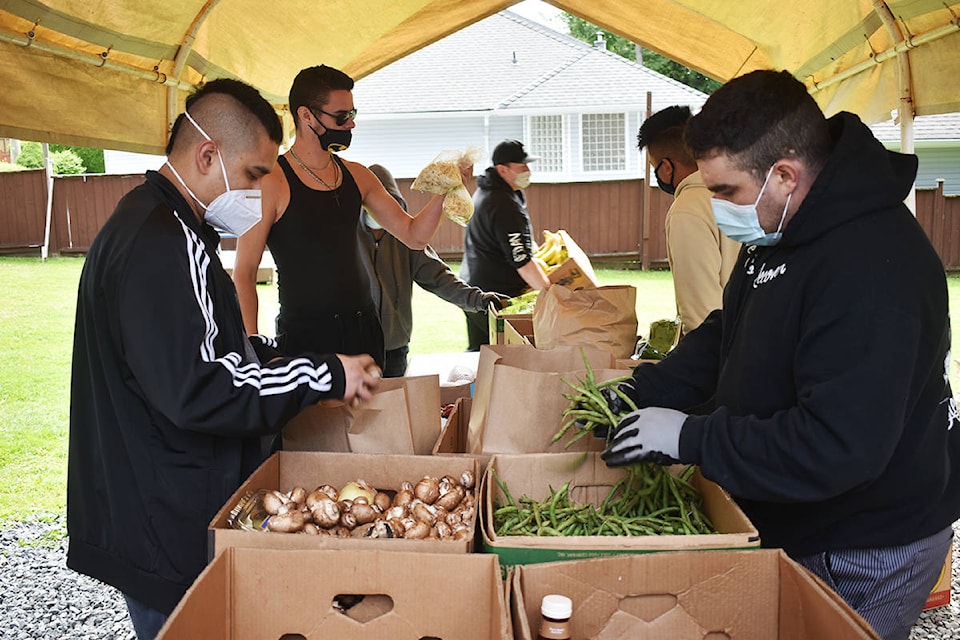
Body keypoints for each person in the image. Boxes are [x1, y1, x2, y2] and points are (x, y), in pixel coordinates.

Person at [600, 70, 960, 640]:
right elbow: (731, 329)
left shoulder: (873, 271)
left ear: (784, 176)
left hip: (865, 540)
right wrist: (647, 390)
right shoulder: (779, 226)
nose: (716, 208)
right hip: (793, 512)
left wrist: (691, 437)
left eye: (724, 192)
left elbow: (837, 445)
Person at [67, 79, 381, 640]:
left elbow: (206, 346)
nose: (262, 193)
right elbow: (206, 386)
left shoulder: (155, 225)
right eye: (256, 175)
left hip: (149, 495)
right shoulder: (165, 242)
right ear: (208, 155)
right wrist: (327, 372)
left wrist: (279, 358)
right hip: (163, 510)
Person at [233, 65, 470, 368]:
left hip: (365, 331)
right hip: (306, 338)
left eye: (353, 114)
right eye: (342, 116)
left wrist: (446, 190)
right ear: (306, 116)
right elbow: (244, 272)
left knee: (373, 416)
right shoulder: (271, 181)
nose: (351, 125)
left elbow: (414, 235)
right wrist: (252, 348)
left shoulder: (358, 176)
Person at [358, 163, 510, 376]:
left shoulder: (406, 238)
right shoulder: (345, 238)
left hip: (395, 349)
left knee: (398, 406)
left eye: (389, 203)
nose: (382, 211)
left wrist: (480, 300)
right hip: (354, 350)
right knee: (356, 409)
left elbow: (440, 278)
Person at [637, 105, 741, 334]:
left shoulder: (687, 210)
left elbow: (702, 316)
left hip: (732, 354)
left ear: (666, 168)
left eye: (655, 168)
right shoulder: (744, 190)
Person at [460, 139, 551, 350]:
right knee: (500, 356)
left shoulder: (489, 191)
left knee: (482, 353)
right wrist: (552, 296)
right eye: (522, 167)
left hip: (473, 287)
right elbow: (522, 261)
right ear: (503, 169)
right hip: (491, 296)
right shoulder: (502, 203)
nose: (528, 170)